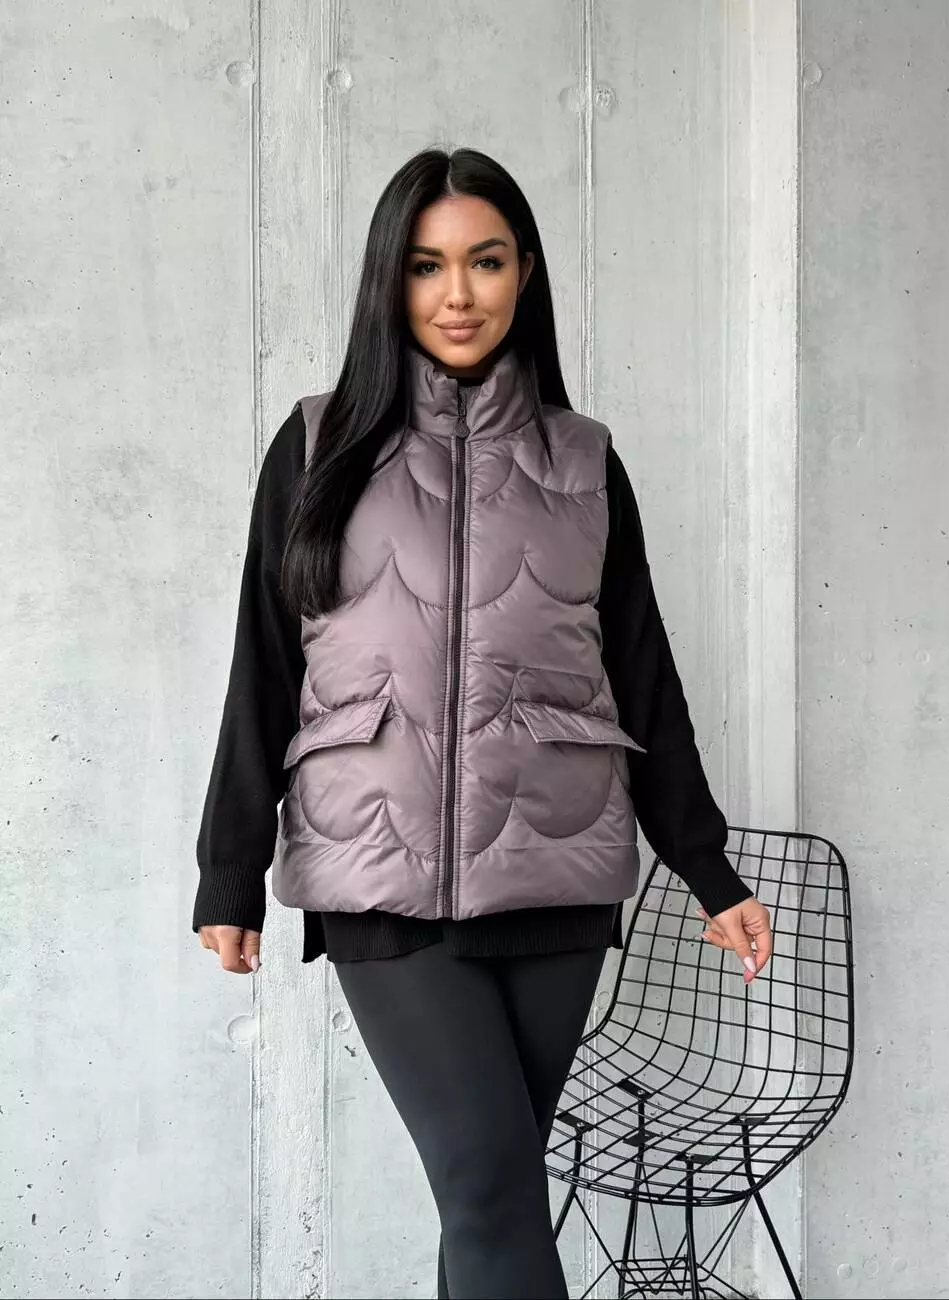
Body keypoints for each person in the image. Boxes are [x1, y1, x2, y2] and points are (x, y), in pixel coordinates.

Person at [192, 146, 773, 1300]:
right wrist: (228, 870)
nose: (457, 294)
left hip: (556, 879)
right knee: (489, 1187)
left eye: (486, 261)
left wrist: (707, 865)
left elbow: (640, 675)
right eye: (426, 265)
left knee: (490, 1200)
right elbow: (265, 661)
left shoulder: (584, 462)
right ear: (389, 280)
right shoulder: (315, 448)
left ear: (525, 274)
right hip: (377, 876)